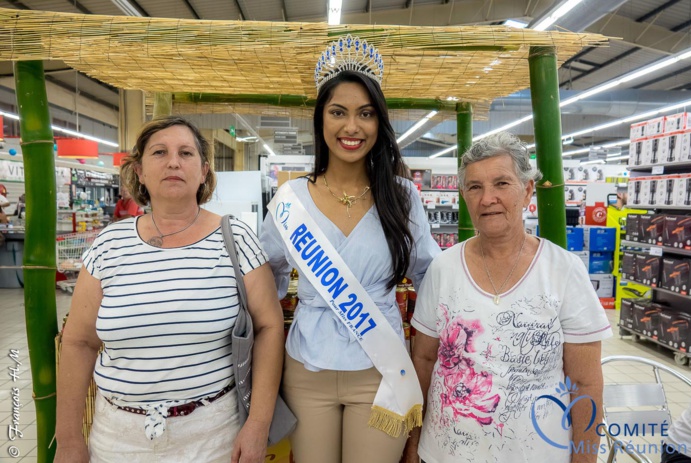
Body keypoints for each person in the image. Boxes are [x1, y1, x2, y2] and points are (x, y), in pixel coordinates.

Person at [55, 116, 285, 463]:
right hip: (117, 439)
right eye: (159, 152)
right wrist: (69, 437)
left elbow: (269, 326)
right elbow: (79, 342)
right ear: (140, 171)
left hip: (212, 437)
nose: (174, 162)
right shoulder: (109, 245)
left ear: (204, 170)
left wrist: (258, 424)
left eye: (186, 153)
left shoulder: (236, 240)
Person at [260, 35, 440, 463]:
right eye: (338, 112)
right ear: (321, 119)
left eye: (366, 114)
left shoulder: (402, 196)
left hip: (382, 372)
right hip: (306, 368)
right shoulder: (290, 200)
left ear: (380, 123)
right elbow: (265, 278)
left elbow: (429, 276)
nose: (352, 127)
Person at [404, 132, 612, 463]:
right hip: (445, 453)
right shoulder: (444, 268)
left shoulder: (564, 270)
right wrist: (412, 445)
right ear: (464, 195)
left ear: (527, 189)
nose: (488, 198)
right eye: (475, 187)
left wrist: (585, 459)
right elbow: (424, 361)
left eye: (502, 183)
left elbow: (586, 384)